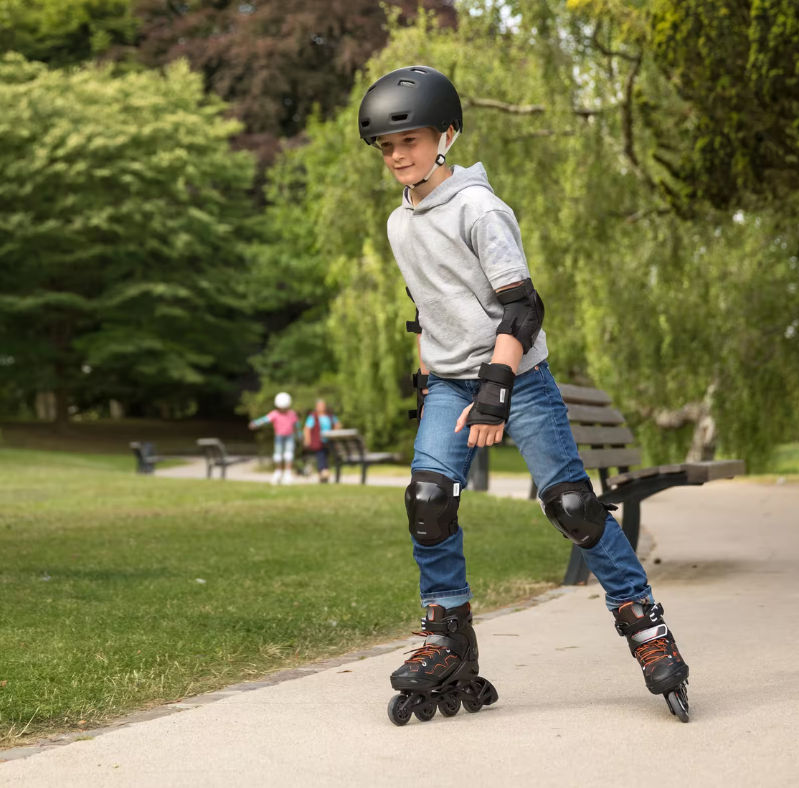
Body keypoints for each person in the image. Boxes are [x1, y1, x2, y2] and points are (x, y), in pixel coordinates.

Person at [358, 66, 691, 725]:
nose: (397, 156)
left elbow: (523, 308)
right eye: (386, 147)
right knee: (427, 500)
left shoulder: (480, 210)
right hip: (450, 383)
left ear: (447, 136)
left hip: (519, 379)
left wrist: (495, 389)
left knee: (573, 507)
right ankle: (446, 639)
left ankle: (646, 627)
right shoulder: (400, 223)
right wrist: (429, 389)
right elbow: (428, 311)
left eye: (410, 141)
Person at [249, 391, 299, 485]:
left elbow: (296, 425)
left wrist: (299, 435)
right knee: (278, 455)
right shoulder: (275, 413)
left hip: (289, 436)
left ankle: (287, 473)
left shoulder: (292, 414)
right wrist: (256, 423)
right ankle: (278, 472)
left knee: (289, 455)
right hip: (279, 437)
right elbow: (265, 419)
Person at [303, 399, 341, 483]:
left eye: (323, 405)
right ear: (316, 407)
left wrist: (335, 433)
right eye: (320, 406)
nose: (322, 407)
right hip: (318, 440)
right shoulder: (313, 417)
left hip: (329, 440)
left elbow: (337, 424)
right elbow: (307, 429)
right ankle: (323, 472)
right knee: (321, 456)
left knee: (326, 457)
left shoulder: (330, 416)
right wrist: (307, 440)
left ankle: (323, 473)